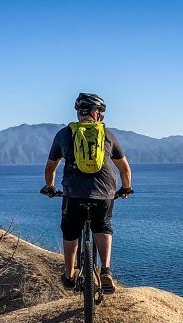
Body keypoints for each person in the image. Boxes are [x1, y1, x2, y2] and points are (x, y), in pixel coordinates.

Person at [42, 93, 133, 294]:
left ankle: (69, 275)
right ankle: (106, 271)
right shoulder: (107, 135)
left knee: (70, 231)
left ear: (79, 113)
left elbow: (50, 168)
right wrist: (126, 188)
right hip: (104, 193)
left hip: (73, 194)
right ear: (96, 113)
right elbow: (125, 169)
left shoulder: (64, 134)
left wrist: (50, 187)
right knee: (104, 226)